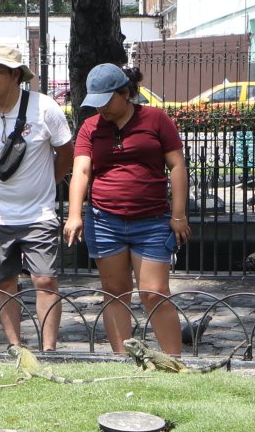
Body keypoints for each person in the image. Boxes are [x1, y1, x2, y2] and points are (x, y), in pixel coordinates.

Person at [63, 64, 191, 355]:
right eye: (97, 103)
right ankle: (124, 361)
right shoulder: (90, 127)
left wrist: (179, 215)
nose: (102, 109)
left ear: (125, 93)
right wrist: (74, 215)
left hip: (152, 221)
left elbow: (177, 166)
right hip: (104, 220)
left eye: (107, 101)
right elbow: (81, 171)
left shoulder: (156, 119)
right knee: (115, 292)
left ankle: (174, 364)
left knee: (154, 292)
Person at [0, 45, 73, 351]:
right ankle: (15, 348)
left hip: (39, 213)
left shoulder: (45, 108)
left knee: (45, 280)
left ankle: (48, 350)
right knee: (4, 281)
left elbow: (66, 153)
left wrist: (47, 182)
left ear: (15, 76)